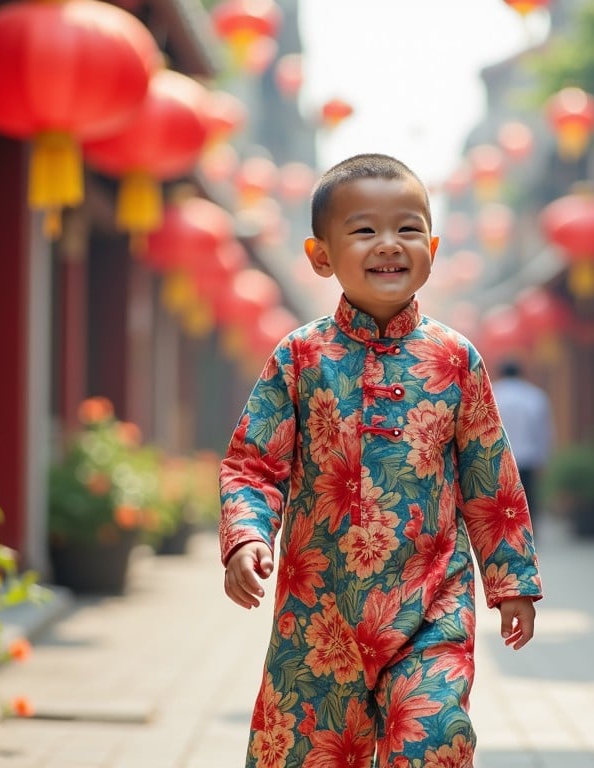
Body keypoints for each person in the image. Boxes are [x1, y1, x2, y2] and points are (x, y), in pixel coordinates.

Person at [219, 153, 543, 767]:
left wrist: (512, 583)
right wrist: (246, 536)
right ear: (321, 256)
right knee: (302, 754)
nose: (389, 245)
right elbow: (253, 464)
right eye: (365, 230)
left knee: (436, 738)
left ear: (434, 245)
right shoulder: (300, 356)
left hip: (432, 607)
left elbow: (490, 479)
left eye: (409, 228)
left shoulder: (455, 359)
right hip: (317, 615)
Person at [491, 359, 554, 533]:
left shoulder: (492, 394)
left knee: (502, 500)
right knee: (528, 499)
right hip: (528, 457)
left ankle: (505, 534)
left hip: (499, 457)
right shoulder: (535, 396)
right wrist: (544, 457)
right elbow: (543, 430)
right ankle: (529, 535)